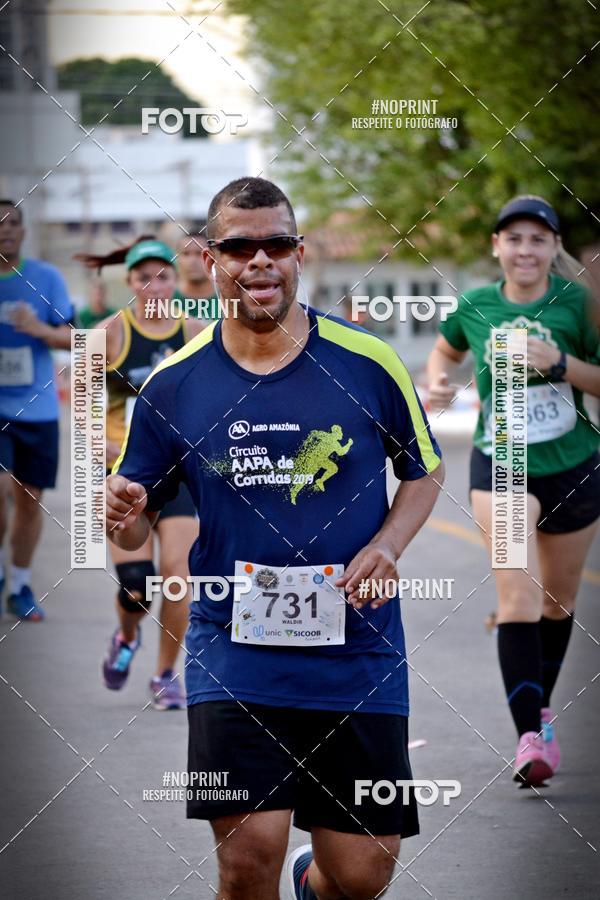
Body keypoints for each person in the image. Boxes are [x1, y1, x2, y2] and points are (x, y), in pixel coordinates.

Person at [106, 177, 444, 899]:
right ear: (209, 259)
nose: (259, 260)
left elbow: (423, 473)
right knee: (246, 857)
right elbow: (135, 511)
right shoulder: (173, 384)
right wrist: (124, 510)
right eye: (239, 246)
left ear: (300, 253)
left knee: (361, 876)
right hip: (235, 646)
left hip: (357, 649)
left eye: (276, 244)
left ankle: (313, 881)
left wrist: (387, 547)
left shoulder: (367, 362)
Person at [427, 195, 600, 787]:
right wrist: (438, 383)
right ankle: (530, 737)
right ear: (496, 246)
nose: (525, 250)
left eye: (538, 239)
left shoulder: (581, 303)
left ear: (555, 249)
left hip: (574, 465)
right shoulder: (475, 305)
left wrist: (559, 365)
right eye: (514, 238)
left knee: (557, 603)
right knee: (518, 601)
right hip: (501, 465)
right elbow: (444, 350)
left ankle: (539, 713)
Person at [88, 237, 204, 709]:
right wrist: (105, 442)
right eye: (143, 277)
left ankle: (164, 674)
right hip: (124, 473)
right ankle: (127, 634)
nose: (154, 285)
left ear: (175, 281)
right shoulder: (111, 332)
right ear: (130, 283)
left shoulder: (196, 330)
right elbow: (79, 397)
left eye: (163, 275)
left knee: (178, 575)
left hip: (177, 473)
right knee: (138, 586)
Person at [0, 199, 75, 621]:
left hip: (38, 410)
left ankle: (19, 584)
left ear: (23, 231)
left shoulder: (45, 278)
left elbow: (74, 337)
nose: (6, 230)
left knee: (29, 500)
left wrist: (38, 329)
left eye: (13, 223)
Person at [175, 231, 220, 321]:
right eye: (186, 253)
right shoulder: (166, 300)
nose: (192, 261)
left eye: (199, 253)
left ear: (212, 258)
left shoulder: (227, 300)